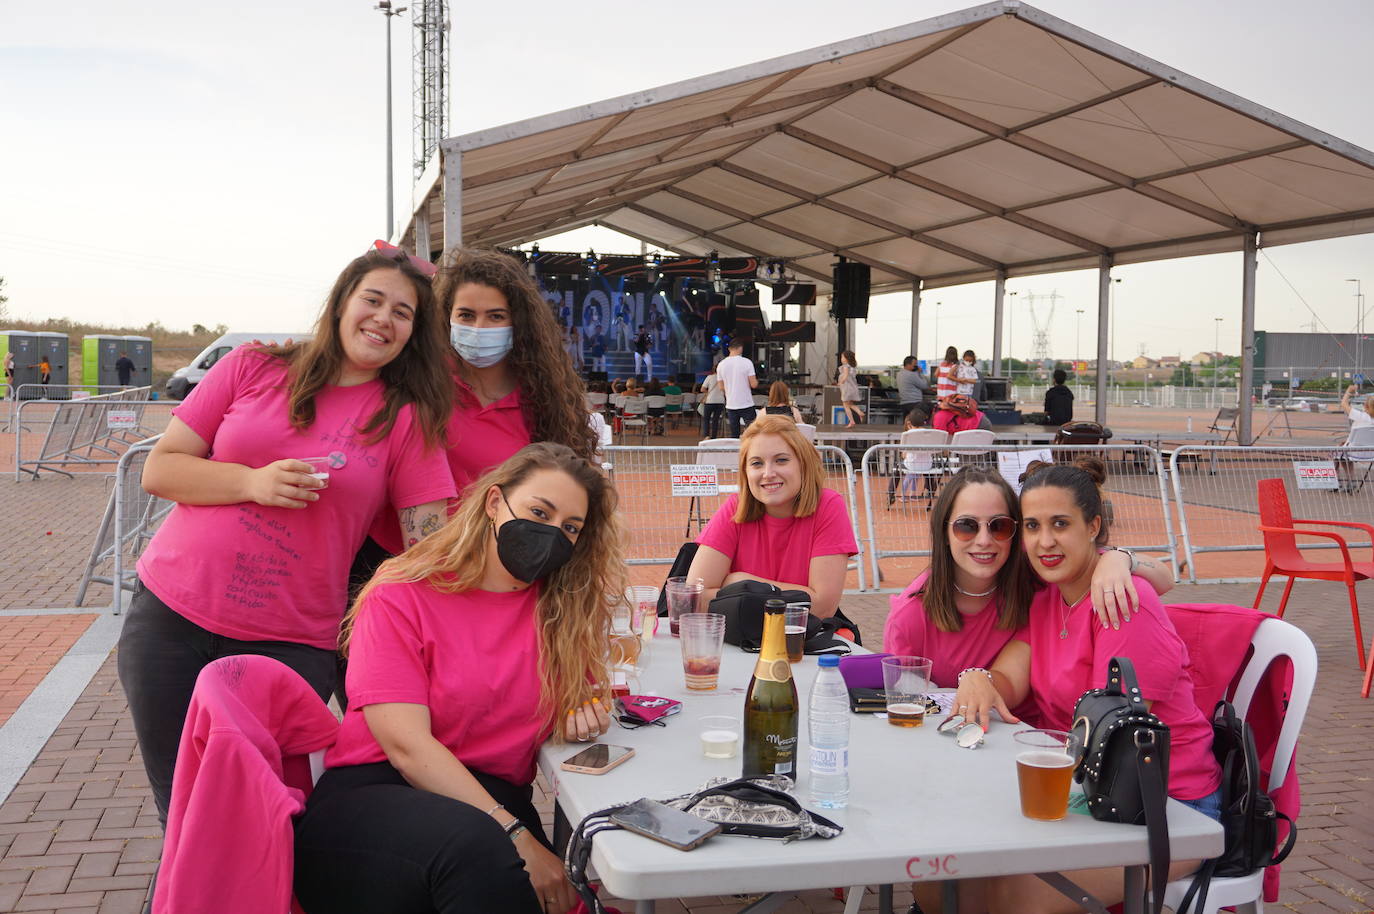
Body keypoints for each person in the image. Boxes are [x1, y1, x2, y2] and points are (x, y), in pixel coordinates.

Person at [117, 248, 457, 829]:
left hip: (287, 645)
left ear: (413, 334)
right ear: (342, 302)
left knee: (258, 815)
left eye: (403, 313)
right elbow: (161, 470)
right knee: (183, 814)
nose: (383, 318)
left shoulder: (405, 417)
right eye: (373, 300)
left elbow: (430, 543)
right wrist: (252, 481)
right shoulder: (253, 366)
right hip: (170, 619)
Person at [292, 444, 626, 914]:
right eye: (538, 511)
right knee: (486, 853)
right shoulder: (403, 593)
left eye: (569, 528)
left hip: (491, 802)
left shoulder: (560, 613)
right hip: (377, 800)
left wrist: (583, 711)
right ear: (494, 503)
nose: (551, 534)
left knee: (531, 880)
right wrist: (515, 836)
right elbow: (406, 747)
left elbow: (577, 700)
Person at [948, 458, 1220, 914]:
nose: (1045, 541)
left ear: (1093, 526)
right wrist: (979, 679)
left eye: (1061, 524)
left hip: (1167, 807)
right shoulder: (1048, 598)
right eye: (1032, 526)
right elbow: (1011, 677)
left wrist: (1121, 559)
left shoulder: (1124, 601)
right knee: (948, 877)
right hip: (1087, 789)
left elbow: (1113, 739)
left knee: (1006, 896)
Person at [351, 247, 598, 594]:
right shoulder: (414, 382)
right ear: (445, 317)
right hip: (393, 567)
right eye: (466, 315)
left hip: (492, 574)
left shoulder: (546, 403)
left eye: (496, 316)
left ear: (518, 322)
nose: (479, 328)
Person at [885, 466, 1174, 691]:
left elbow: (1165, 579)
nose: (984, 540)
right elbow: (901, 700)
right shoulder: (913, 614)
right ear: (944, 532)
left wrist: (1118, 557)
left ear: (1014, 532)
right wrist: (978, 686)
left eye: (999, 526)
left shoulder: (1037, 570)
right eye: (966, 526)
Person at [688, 416, 856, 620]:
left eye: (781, 460)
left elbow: (822, 607)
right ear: (746, 472)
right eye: (757, 463)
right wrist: (791, 599)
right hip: (735, 645)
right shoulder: (735, 507)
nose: (768, 473)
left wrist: (741, 583)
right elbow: (696, 598)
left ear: (803, 464)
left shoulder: (828, 506)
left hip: (799, 645)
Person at [717, 338, 758, 437]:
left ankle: (736, 452)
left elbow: (721, 387)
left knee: (734, 434)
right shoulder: (747, 362)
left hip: (731, 404)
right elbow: (754, 384)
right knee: (752, 434)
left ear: (729, 348)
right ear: (740, 348)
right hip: (746, 403)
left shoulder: (721, 365)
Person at [837, 350, 864, 427]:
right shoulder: (852, 367)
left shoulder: (846, 366)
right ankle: (859, 412)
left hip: (847, 389)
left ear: (846, 358)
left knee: (845, 405)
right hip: (852, 388)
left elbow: (845, 376)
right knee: (850, 404)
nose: (841, 358)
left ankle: (852, 421)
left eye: (842, 357)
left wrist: (841, 382)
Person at [699, 365, 726, 439]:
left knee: (706, 419)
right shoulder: (724, 379)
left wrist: (709, 392)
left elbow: (702, 389)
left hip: (710, 401)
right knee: (716, 419)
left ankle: (706, 436)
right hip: (720, 401)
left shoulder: (709, 377)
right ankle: (714, 436)